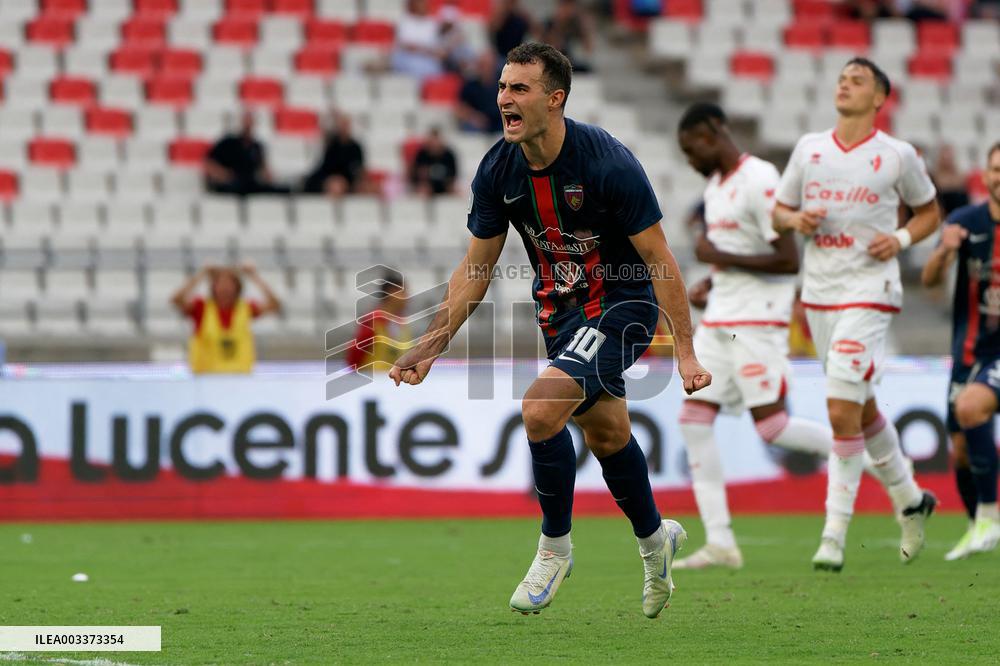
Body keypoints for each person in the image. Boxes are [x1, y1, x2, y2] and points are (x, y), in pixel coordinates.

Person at [388, 43, 711, 619]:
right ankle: (655, 540)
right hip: (560, 314)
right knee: (608, 435)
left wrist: (684, 351)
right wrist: (431, 346)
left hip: (623, 304)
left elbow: (661, 258)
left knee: (539, 410)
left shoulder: (608, 164)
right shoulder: (496, 169)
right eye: (503, 87)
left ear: (555, 98)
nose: (504, 99)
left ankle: (554, 548)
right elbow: (475, 271)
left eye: (519, 89)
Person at [672, 103, 898, 570]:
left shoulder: (760, 180)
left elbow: (788, 260)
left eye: (692, 149)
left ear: (714, 131)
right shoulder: (716, 188)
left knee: (772, 427)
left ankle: (882, 470)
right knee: (693, 421)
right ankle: (721, 543)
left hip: (757, 321)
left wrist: (719, 257)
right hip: (721, 318)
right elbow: (737, 253)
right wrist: (713, 280)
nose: (689, 160)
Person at [773, 57, 941, 571]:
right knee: (861, 409)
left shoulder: (897, 155)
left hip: (871, 289)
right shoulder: (810, 148)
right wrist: (796, 217)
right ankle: (911, 498)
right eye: (841, 77)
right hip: (820, 294)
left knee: (840, 408)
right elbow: (778, 211)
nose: (844, 84)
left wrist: (904, 237)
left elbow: (930, 211)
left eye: (857, 80)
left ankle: (833, 534)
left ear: (879, 98)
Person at [921, 142, 1000, 560]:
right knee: (962, 447)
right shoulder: (965, 221)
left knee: (971, 409)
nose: (999, 176)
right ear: (985, 176)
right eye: (994, 169)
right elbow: (932, 281)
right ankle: (978, 526)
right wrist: (946, 249)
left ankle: (989, 517)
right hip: (968, 354)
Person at [171, 263, 281, 374]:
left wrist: (254, 276)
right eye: (221, 283)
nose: (225, 287)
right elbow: (177, 300)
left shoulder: (245, 308)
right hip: (207, 377)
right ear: (213, 286)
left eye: (229, 283)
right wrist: (201, 274)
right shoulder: (201, 307)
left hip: (239, 377)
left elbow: (275, 304)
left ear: (237, 287)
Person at [204, 111, 289, 196]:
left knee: (280, 190)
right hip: (232, 184)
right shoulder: (228, 142)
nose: (248, 125)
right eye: (246, 121)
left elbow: (262, 169)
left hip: (250, 184)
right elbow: (209, 163)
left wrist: (267, 176)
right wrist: (224, 175)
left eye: (250, 121)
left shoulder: (257, 146)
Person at [346, 270, 412, 372]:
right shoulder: (373, 322)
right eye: (403, 292)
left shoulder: (400, 323)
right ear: (391, 292)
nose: (408, 297)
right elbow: (353, 358)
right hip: (374, 382)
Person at [303, 112, 365, 197]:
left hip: (347, 180)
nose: (343, 128)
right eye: (341, 125)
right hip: (330, 178)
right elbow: (326, 166)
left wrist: (344, 181)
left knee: (337, 186)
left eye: (346, 125)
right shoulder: (333, 144)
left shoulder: (356, 147)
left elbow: (357, 170)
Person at [390, 0, 444, 82]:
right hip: (407, 57)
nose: (422, 6)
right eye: (419, 4)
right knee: (416, 67)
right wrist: (425, 50)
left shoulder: (432, 23)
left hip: (428, 58)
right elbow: (407, 46)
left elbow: (436, 47)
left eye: (424, 4)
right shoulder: (404, 21)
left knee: (436, 69)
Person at [542, 0, 596, 72]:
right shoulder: (550, 23)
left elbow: (589, 48)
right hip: (552, 63)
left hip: (568, 63)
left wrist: (584, 27)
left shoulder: (574, 24)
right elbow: (553, 46)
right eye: (565, 6)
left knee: (587, 69)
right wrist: (559, 24)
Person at [457, 51, 504, 134]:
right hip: (479, 124)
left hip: (500, 122)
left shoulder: (504, 84)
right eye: (482, 65)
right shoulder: (470, 85)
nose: (485, 68)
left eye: (488, 65)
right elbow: (461, 108)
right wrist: (474, 117)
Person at [410, 128, 458, 196]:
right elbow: (415, 173)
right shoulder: (422, 154)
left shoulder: (449, 155)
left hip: (445, 186)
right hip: (427, 187)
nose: (435, 144)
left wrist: (449, 185)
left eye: (436, 141)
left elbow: (453, 174)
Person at [932, 144, 970, 216]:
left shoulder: (960, 176)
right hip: (942, 215)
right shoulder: (935, 177)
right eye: (945, 157)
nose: (947, 160)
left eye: (949, 157)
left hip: (959, 214)